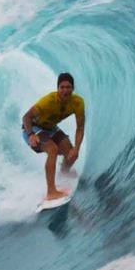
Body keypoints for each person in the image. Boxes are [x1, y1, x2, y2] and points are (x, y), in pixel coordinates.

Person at [22, 72, 85, 201]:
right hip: (32, 128)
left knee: (72, 154)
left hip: (50, 128)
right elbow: (26, 117)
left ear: (73, 89)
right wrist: (31, 134)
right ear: (57, 89)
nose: (65, 90)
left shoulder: (78, 103)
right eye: (62, 87)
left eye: (68, 87)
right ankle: (51, 192)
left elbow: (80, 128)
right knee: (53, 149)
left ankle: (64, 172)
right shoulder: (48, 101)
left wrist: (77, 148)